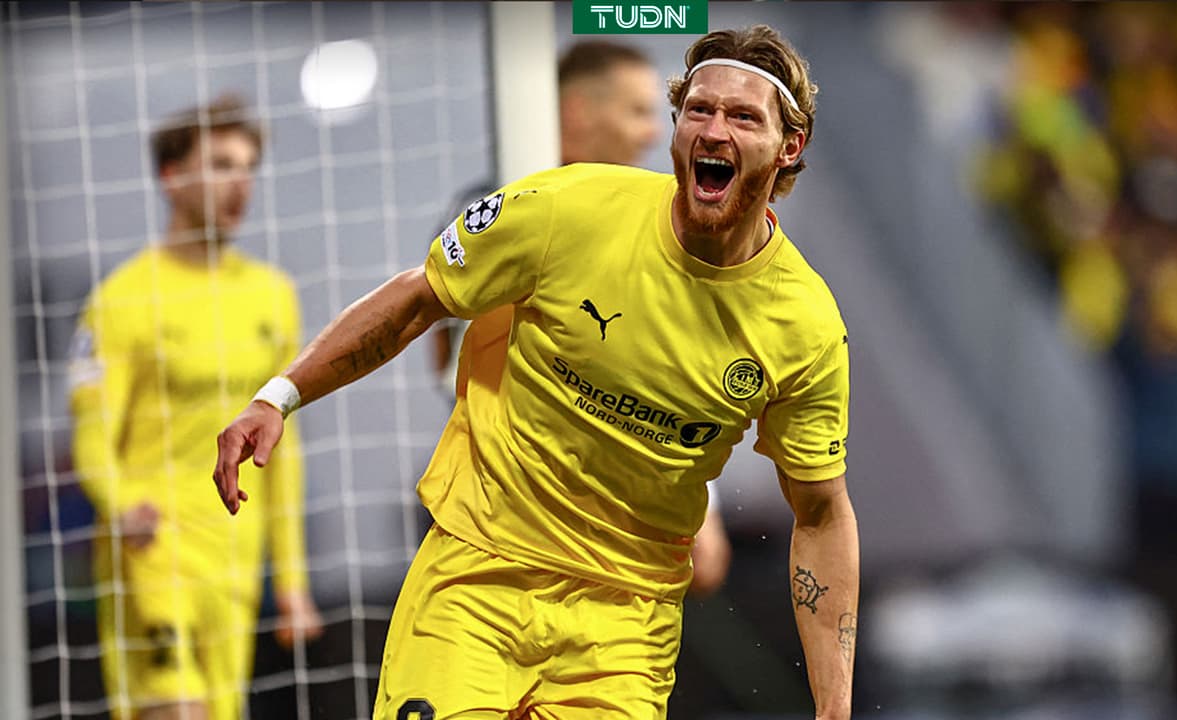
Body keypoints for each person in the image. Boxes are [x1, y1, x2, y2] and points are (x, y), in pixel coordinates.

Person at [215, 25, 858, 720]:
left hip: (625, 621)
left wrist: (834, 706)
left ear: (789, 146)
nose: (713, 130)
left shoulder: (805, 324)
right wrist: (278, 397)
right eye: (698, 109)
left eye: (743, 117)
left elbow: (821, 513)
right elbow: (416, 301)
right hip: (478, 574)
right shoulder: (567, 207)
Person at [432, 39, 732, 597]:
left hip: (618, 517)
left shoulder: (658, 226)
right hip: (504, 511)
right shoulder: (499, 210)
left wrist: (703, 503)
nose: (654, 134)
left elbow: (668, 374)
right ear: (576, 111)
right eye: (638, 111)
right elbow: (449, 356)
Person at [69, 94, 322, 720]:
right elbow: (92, 435)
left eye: (249, 167)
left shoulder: (273, 295)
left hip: (235, 557)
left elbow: (284, 451)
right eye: (221, 164)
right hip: (155, 546)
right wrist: (121, 505)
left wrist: (292, 581)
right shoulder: (121, 299)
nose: (240, 183)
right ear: (172, 176)